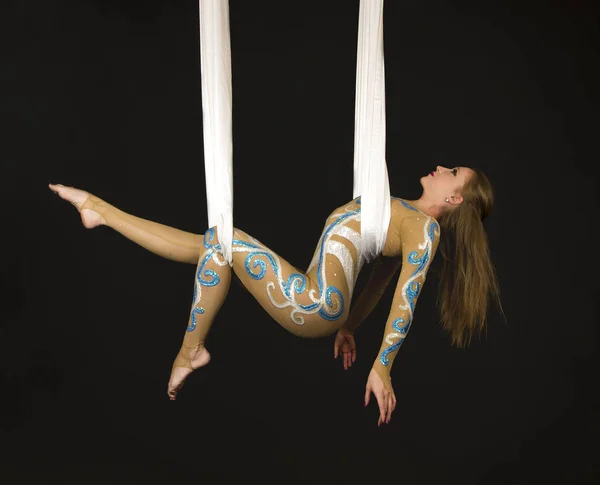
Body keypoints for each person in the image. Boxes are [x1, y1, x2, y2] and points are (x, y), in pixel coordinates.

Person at [48, 165, 502, 426]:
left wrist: (382, 366)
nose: (442, 168)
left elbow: (407, 296)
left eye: (453, 173)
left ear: (456, 199)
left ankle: (191, 350)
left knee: (225, 240)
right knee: (214, 246)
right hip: (321, 301)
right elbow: (379, 281)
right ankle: (100, 211)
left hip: (314, 304)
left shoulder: (424, 229)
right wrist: (348, 328)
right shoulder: (399, 210)